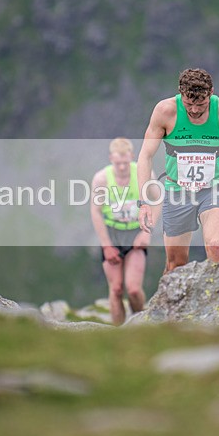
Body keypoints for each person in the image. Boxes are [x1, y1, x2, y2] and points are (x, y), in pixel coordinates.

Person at [137, 68, 219, 273]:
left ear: (211, 93)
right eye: (189, 104)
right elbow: (145, 156)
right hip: (177, 190)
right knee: (176, 263)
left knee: (215, 246)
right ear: (180, 94)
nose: (195, 110)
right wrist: (144, 202)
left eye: (201, 104)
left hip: (214, 188)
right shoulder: (165, 111)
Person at [90, 137, 157, 325]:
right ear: (111, 158)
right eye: (117, 163)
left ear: (131, 157)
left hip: (135, 232)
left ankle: (139, 324)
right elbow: (95, 211)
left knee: (133, 289)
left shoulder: (144, 174)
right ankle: (118, 332)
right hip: (112, 234)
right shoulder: (101, 179)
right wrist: (106, 246)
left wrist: (146, 232)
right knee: (116, 289)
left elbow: (159, 200)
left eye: (125, 163)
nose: (121, 167)